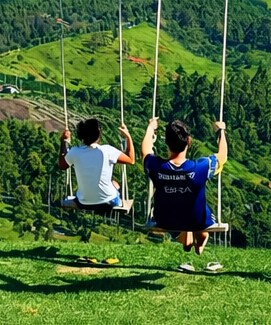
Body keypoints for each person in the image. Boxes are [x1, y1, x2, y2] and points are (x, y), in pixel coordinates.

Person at [142, 116, 227, 273]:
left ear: (166, 142)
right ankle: (198, 237)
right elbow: (222, 155)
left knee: (177, 211)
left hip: (165, 220)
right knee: (198, 217)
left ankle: (184, 237)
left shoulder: (156, 166)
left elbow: (146, 150)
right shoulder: (200, 167)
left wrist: (150, 128)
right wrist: (221, 131)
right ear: (189, 141)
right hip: (197, 220)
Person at [59, 117, 135, 211]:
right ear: (99, 134)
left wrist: (64, 141)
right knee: (115, 184)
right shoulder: (107, 151)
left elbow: (62, 165)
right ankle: (118, 201)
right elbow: (131, 160)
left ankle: (77, 199)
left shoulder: (75, 152)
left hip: (83, 202)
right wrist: (128, 136)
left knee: (112, 184)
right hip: (109, 201)